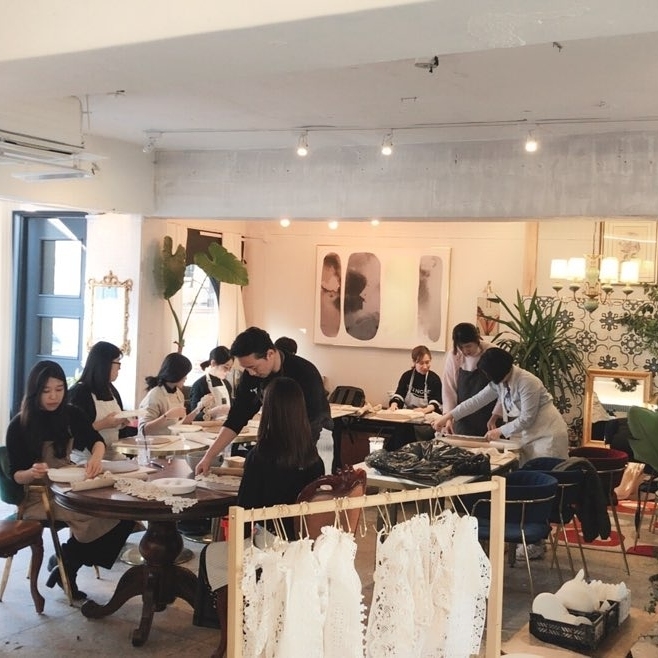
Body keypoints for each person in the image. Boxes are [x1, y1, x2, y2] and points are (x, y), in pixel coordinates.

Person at [199, 377, 325, 656]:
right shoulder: (314, 458)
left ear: (269, 412)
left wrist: (241, 547)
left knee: (213, 555)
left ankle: (231, 634)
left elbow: (244, 512)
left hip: (269, 545)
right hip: (302, 546)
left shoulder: (261, 457)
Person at [6, 360, 134, 600]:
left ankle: (67, 562)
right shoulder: (19, 425)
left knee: (123, 510)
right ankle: (68, 567)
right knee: (97, 513)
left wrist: (95, 458)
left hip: (68, 485)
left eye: (59, 389)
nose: (54, 396)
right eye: (46, 391)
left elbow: (96, 441)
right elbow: (16, 476)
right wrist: (32, 472)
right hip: (38, 496)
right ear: (34, 392)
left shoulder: (71, 413)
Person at [195, 327, 330, 475]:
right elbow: (236, 417)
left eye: (253, 367)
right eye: (246, 368)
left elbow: (313, 420)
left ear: (270, 354)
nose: (251, 373)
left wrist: (283, 459)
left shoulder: (304, 372)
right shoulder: (251, 375)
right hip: (279, 441)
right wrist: (209, 456)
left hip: (311, 441)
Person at [433, 347, 568, 465]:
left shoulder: (527, 382)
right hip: (529, 435)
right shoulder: (500, 382)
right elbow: (475, 401)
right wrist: (448, 416)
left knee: (545, 474)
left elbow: (527, 418)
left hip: (548, 435)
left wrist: (499, 431)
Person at [68, 341, 136, 459]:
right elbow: (72, 437)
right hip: (85, 458)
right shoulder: (79, 393)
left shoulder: (111, 390)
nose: (119, 368)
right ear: (105, 364)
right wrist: (104, 424)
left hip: (112, 455)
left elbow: (118, 434)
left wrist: (121, 423)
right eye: (118, 363)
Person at [441, 323, 501, 436]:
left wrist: (496, 415)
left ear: (477, 340)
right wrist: (448, 418)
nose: (465, 351)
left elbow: (502, 388)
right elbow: (449, 389)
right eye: (461, 347)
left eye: (468, 346)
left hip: (490, 417)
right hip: (463, 418)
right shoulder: (454, 355)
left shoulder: (491, 352)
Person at [385, 345, 442, 450]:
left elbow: (436, 402)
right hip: (410, 419)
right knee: (400, 432)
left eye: (427, 362)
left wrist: (424, 410)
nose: (425, 366)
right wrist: (394, 405)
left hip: (427, 423)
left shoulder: (434, 379)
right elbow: (399, 395)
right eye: (421, 363)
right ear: (414, 362)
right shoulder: (407, 376)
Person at [138, 352, 205, 435]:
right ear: (176, 374)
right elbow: (143, 430)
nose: (186, 378)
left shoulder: (179, 394)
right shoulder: (154, 395)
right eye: (184, 374)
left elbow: (180, 423)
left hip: (172, 440)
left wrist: (198, 408)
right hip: (154, 442)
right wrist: (166, 416)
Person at [189, 346, 234, 421]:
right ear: (213, 363)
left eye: (230, 368)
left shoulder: (226, 384)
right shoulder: (199, 385)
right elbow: (193, 417)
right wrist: (211, 412)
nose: (228, 372)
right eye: (226, 367)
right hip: (206, 427)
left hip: (225, 424)